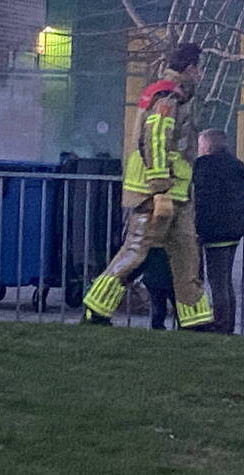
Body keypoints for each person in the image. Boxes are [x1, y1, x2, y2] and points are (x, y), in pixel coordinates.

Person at [81, 43, 214, 329]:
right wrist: (159, 185)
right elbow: (155, 139)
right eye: (199, 68)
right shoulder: (167, 97)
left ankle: (196, 322)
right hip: (155, 194)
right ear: (190, 68)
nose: (201, 74)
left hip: (176, 194)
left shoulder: (177, 97)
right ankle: (95, 309)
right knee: (135, 252)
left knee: (187, 258)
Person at [194, 128, 244, 334]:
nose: (199, 149)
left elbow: (202, 198)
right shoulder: (236, 166)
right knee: (225, 279)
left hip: (214, 230)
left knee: (217, 281)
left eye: (200, 145)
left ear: (207, 147)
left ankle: (220, 324)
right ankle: (228, 324)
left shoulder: (204, 166)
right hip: (233, 229)